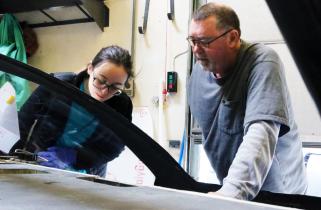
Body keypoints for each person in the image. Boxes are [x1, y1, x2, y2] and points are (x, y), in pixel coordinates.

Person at [187, 3, 307, 200]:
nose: (196, 50)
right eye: (192, 41)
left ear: (233, 38)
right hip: (235, 191)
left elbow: (261, 134)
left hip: (278, 195)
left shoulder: (262, 62)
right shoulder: (198, 76)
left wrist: (231, 193)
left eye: (205, 41)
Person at [10, 45, 133, 177]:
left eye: (115, 87)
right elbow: (23, 120)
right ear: (90, 68)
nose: (104, 91)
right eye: (101, 80)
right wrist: (10, 157)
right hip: (43, 158)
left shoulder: (122, 105)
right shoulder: (57, 84)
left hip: (89, 167)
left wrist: (74, 157)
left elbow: (114, 147)